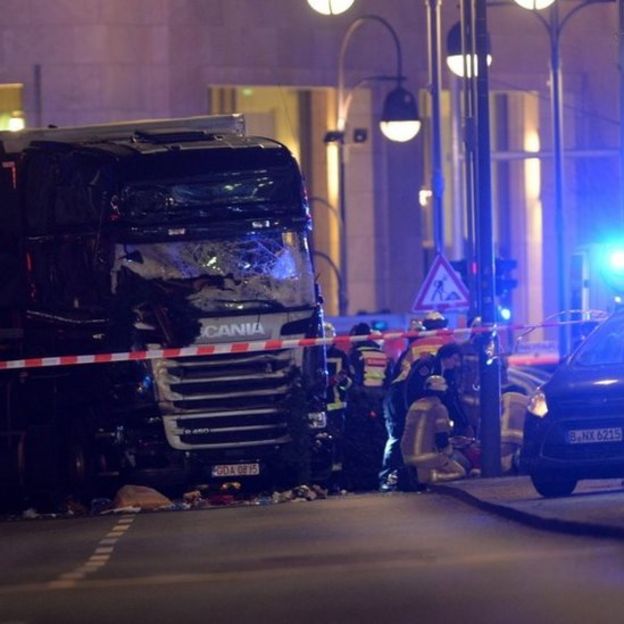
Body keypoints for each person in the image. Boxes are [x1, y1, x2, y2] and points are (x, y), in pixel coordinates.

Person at [343, 322, 392, 491]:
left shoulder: (355, 355)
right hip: (380, 403)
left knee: (358, 443)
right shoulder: (382, 354)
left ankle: (359, 483)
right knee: (378, 442)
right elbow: (389, 381)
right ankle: (376, 479)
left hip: (360, 404)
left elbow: (351, 381)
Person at [400, 375, 467, 486]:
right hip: (426, 456)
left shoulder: (415, 405)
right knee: (460, 471)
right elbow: (442, 439)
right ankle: (427, 477)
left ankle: (422, 474)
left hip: (406, 454)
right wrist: (450, 450)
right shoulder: (439, 408)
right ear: (443, 392)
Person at [405, 341, 473, 438]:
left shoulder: (448, 372)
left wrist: (464, 423)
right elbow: (412, 390)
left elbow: (452, 398)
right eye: (455, 359)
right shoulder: (427, 365)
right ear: (445, 356)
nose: (457, 364)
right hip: (408, 408)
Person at [323, 322, 352, 486]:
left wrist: (341, 381)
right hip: (316, 407)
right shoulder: (310, 351)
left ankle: (336, 481)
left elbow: (349, 384)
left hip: (336, 407)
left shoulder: (342, 356)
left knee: (337, 443)